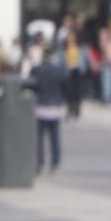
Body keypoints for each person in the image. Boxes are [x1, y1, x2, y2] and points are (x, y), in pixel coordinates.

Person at [28, 38, 68, 173]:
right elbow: (64, 87)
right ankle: (55, 161)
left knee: (39, 137)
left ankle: (40, 162)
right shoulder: (58, 70)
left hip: (40, 106)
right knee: (54, 137)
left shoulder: (37, 70)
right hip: (54, 107)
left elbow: (31, 86)